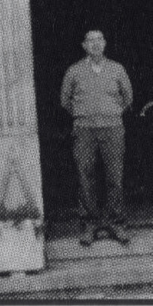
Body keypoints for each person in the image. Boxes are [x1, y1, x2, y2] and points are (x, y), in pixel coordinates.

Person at [60, 29, 134, 247]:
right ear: (84, 46)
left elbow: (128, 98)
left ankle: (116, 222)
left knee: (115, 176)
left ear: (105, 43)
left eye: (99, 39)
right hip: (84, 130)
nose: (95, 44)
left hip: (112, 129)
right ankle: (89, 224)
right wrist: (84, 113)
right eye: (90, 40)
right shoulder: (74, 71)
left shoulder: (117, 69)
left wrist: (110, 112)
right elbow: (65, 100)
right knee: (85, 175)